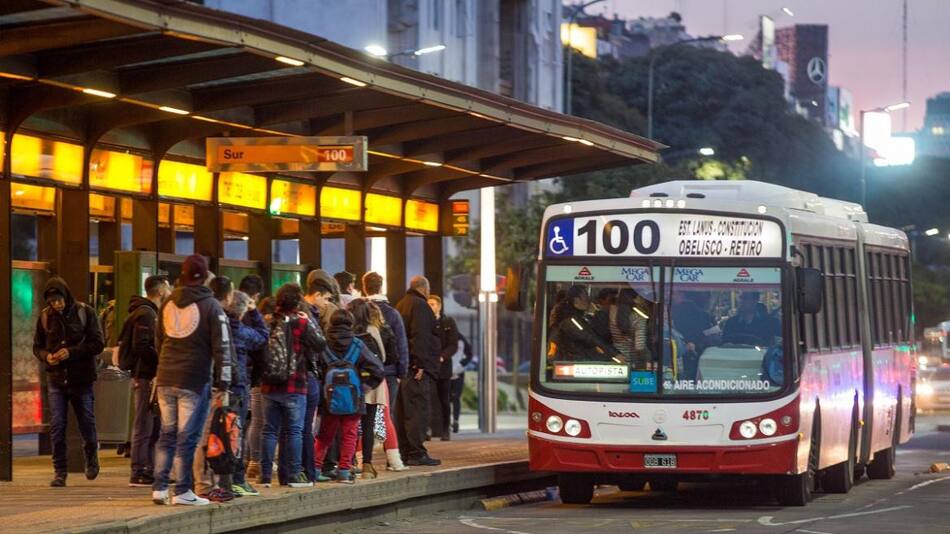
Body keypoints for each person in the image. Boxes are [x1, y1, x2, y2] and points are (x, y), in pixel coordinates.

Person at [152, 254, 231, 506]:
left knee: (167, 434)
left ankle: (159, 488)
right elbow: (222, 347)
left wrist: (166, 363)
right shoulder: (211, 306)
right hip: (194, 379)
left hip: (165, 376)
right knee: (187, 437)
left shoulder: (167, 303)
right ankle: (183, 490)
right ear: (205, 276)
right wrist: (224, 382)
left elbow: (158, 340)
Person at [33, 276, 105, 487]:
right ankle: (60, 472)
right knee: (57, 425)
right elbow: (37, 346)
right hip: (56, 379)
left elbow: (97, 343)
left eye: (59, 300)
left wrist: (71, 352)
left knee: (86, 421)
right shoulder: (45, 317)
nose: (57, 304)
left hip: (81, 378)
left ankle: (91, 456)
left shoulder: (85, 312)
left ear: (66, 296)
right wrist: (46, 356)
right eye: (52, 301)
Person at [259, 283, 326, 489]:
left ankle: (265, 476)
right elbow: (320, 344)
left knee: (269, 431)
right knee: (294, 431)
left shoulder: (268, 321)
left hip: (269, 384)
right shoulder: (301, 323)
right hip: (295, 384)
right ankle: (295, 475)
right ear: (297, 302)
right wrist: (310, 322)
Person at [313, 309, 384, 484]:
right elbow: (378, 369)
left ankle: (315, 468)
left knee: (325, 435)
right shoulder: (358, 345)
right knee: (350, 435)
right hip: (353, 398)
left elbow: (315, 369)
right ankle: (344, 471)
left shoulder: (323, 344)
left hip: (329, 399)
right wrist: (364, 387)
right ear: (350, 324)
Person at [121, 275, 171, 487]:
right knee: (144, 423)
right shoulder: (147, 314)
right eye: (168, 287)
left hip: (145, 375)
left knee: (151, 423)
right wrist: (161, 359)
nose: (170, 291)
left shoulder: (146, 312)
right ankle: (139, 469)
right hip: (145, 375)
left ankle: (148, 467)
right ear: (160, 291)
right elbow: (142, 345)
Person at [349, 299, 407, 477]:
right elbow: (388, 356)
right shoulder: (375, 330)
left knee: (351, 424)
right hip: (373, 383)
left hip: (350, 382)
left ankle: (351, 462)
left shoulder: (348, 331)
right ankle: (368, 465)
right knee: (371, 423)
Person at [225, 290, 269, 496]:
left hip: (215, 387)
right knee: (237, 433)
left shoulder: (217, 327)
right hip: (238, 387)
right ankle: (237, 479)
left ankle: (217, 480)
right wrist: (255, 312)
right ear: (243, 311)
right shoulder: (241, 331)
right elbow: (263, 337)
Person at [395, 276, 441, 466]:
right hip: (416, 370)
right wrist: (420, 364)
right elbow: (420, 336)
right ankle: (416, 453)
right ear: (424, 289)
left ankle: (405, 452)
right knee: (417, 412)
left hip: (405, 368)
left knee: (404, 413)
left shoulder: (401, 304)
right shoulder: (421, 306)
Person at [362, 271, 409, 416]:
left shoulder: (358, 310)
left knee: (365, 416)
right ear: (381, 287)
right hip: (388, 372)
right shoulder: (393, 314)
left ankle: (368, 433)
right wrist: (401, 372)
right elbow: (401, 345)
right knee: (385, 415)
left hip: (364, 372)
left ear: (364, 287)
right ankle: (381, 433)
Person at [244, 296, 275, 481]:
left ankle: (254, 461)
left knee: (256, 421)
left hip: (254, 378)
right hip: (268, 379)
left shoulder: (251, 328)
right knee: (268, 424)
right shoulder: (272, 328)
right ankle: (262, 462)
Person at [548, 285, 618, 362]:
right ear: (577, 300)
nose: (589, 300)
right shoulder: (571, 320)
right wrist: (614, 354)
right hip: (569, 360)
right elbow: (589, 336)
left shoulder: (579, 316)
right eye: (586, 296)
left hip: (572, 359)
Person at [427, 295, 458, 441]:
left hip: (443, 367)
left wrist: (442, 357)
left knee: (444, 399)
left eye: (433, 304)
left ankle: (446, 429)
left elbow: (453, 345)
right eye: (428, 304)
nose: (430, 306)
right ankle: (427, 429)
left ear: (439, 306)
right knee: (428, 399)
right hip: (428, 366)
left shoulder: (448, 322)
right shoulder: (424, 322)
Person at [449, 334, 474, 434]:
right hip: (446, 372)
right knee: (446, 399)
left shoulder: (461, 340)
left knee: (455, 398)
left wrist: (461, 365)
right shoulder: (443, 337)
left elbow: (469, 355)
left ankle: (455, 421)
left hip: (458, 373)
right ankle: (447, 422)